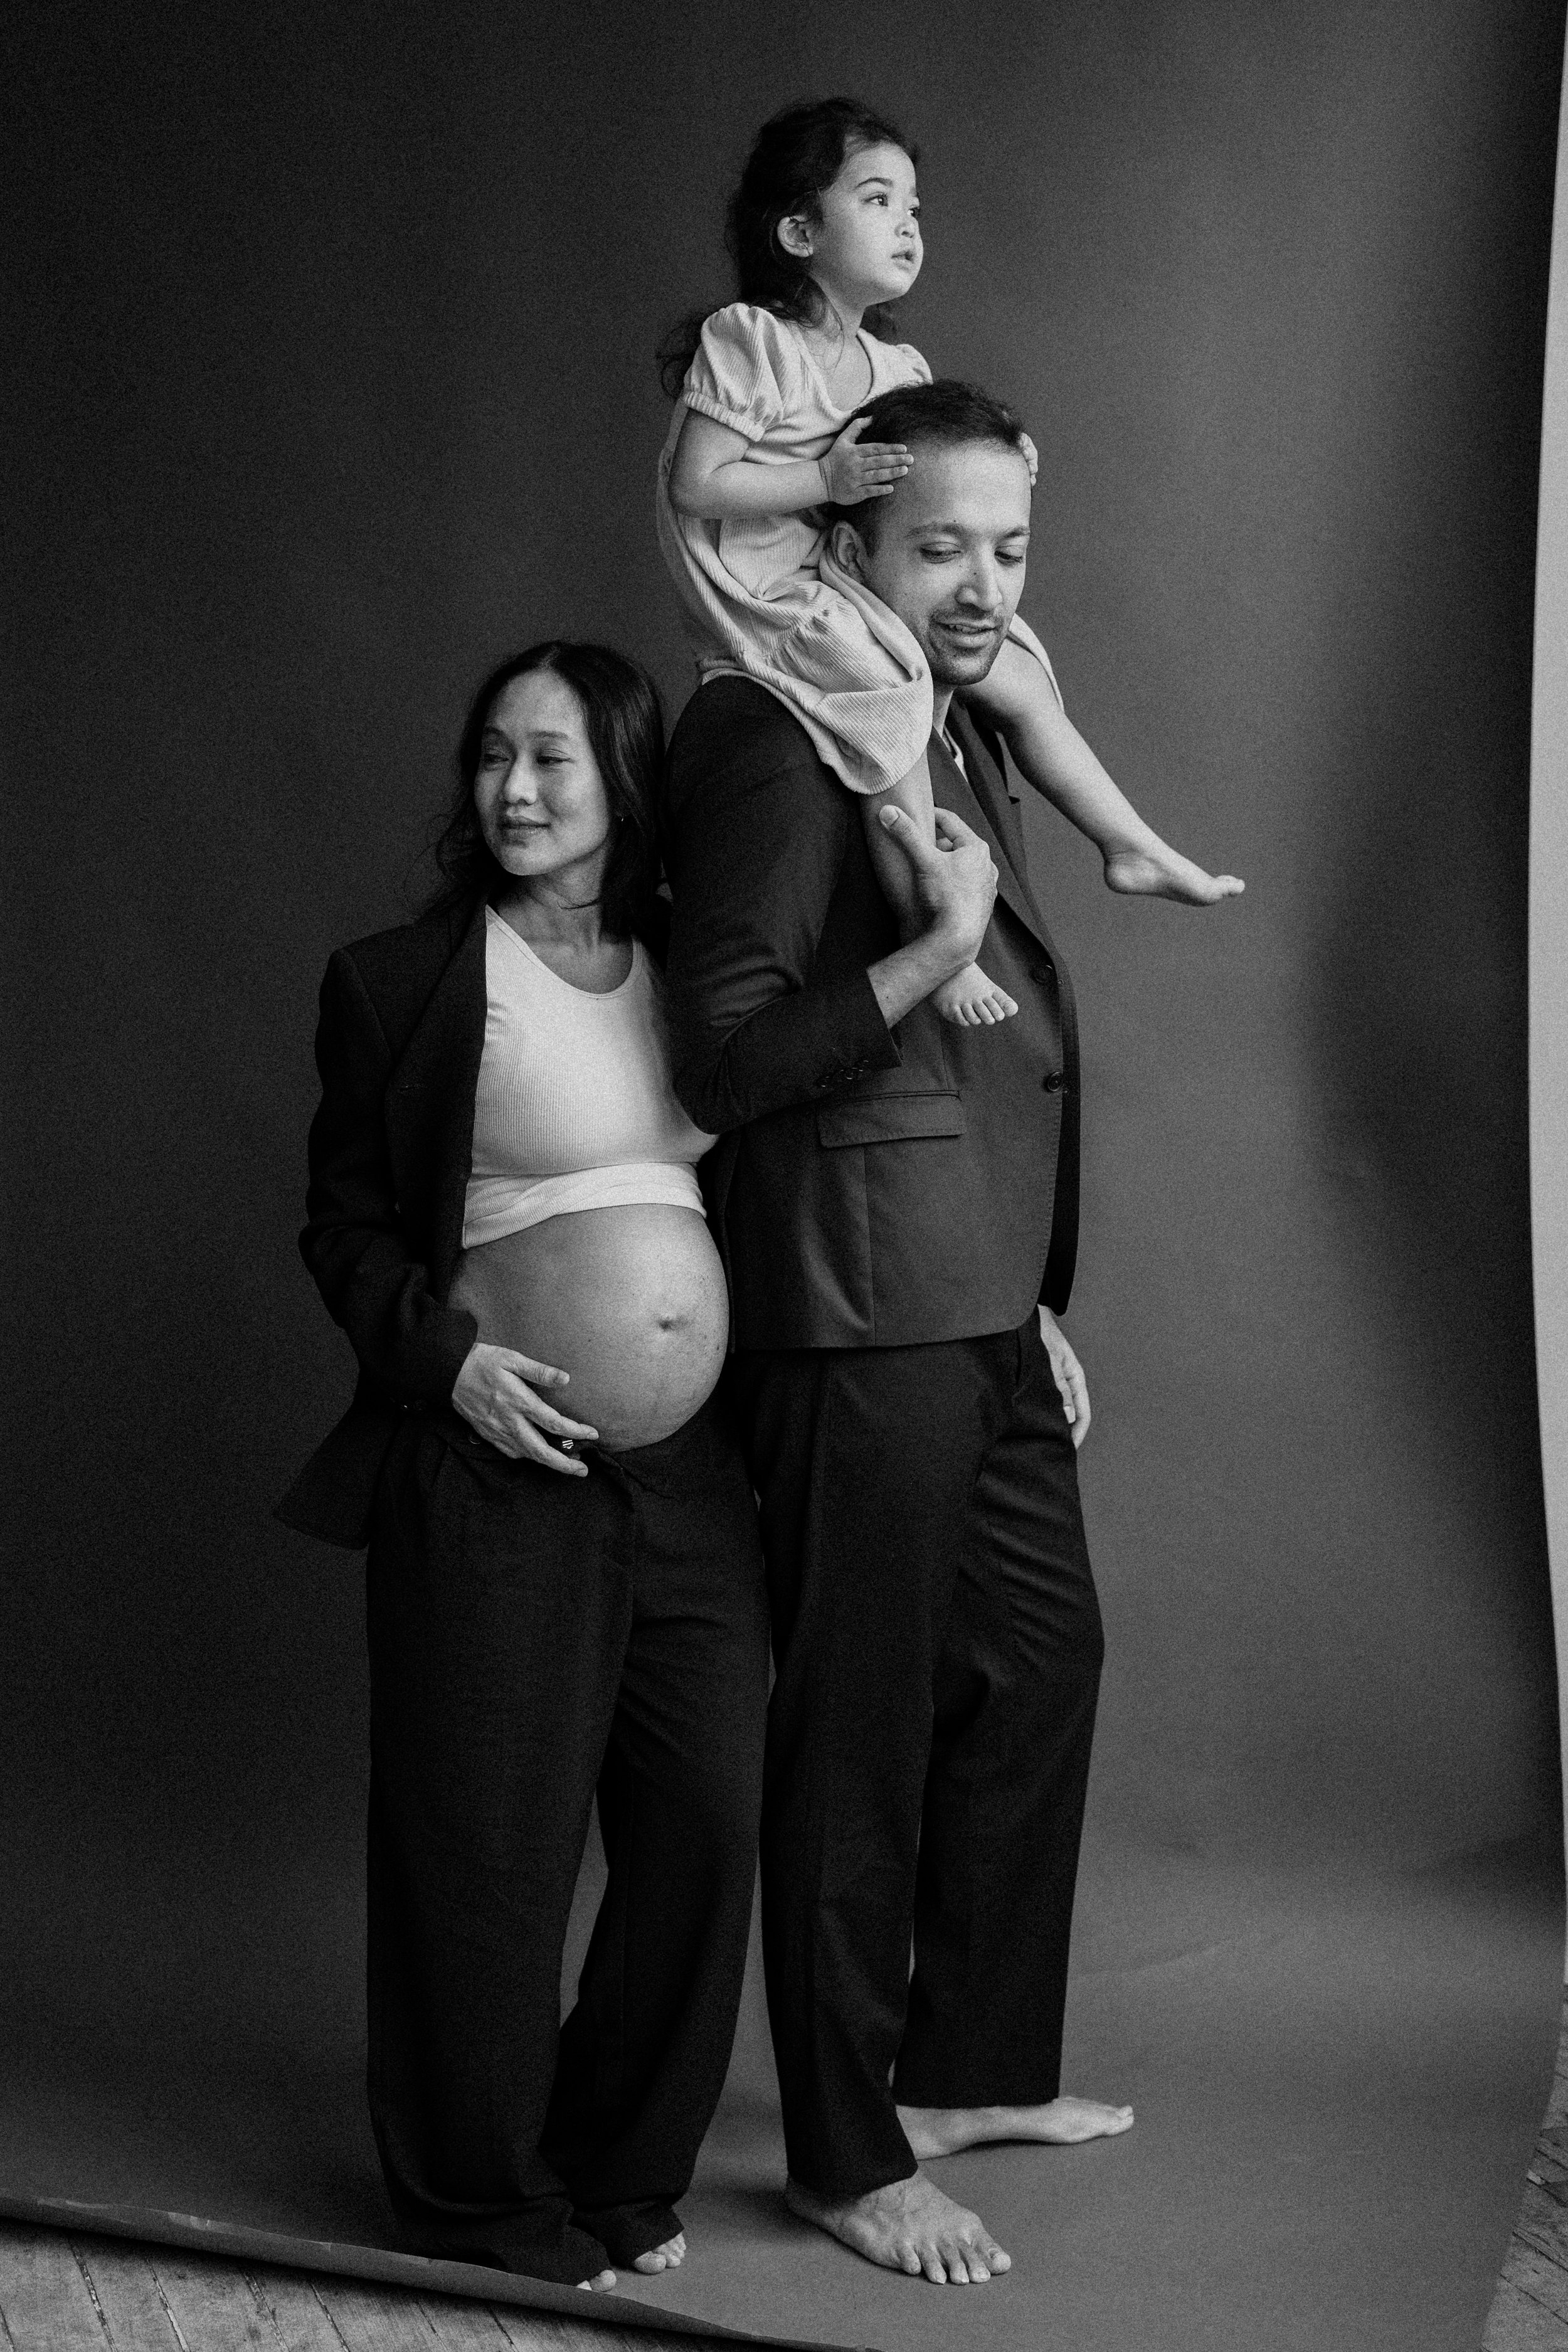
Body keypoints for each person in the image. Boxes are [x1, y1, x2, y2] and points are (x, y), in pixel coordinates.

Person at [660, 379, 1139, 2288]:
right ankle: (848, 2152)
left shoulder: (952, 715)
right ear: (844, 533)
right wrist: (927, 956)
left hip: (980, 1302)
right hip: (854, 1315)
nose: (976, 581)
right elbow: (725, 1048)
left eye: (1006, 547)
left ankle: (964, 2066)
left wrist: (1031, 1293)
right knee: (853, 1729)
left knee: (1036, 1662)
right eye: (936, 542)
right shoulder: (770, 732)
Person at [276, 642, 770, 2292]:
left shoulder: (704, 968)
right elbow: (343, 1224)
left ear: (628, 782)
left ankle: (619, 2165)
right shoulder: (405, 984)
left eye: (554, 758)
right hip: (496, 1462)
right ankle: (480, 2198)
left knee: (703, 1816)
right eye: (494, 753)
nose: (514, 789)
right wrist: (447, 1366)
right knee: (484, 1845)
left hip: (686, 1475)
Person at [657, 95, 1241, 1032]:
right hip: (763, 584)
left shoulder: (895, 368)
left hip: (834, 566)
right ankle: (938, 930)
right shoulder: (750, 340)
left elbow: (943, 459)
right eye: (879, 201)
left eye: (914, 209)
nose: (907, 225)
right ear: (800, 230)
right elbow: (697, 485)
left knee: (1014, 663)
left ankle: (1127, 842)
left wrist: (1010, 452)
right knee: (889, 687)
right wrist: (823, 472)